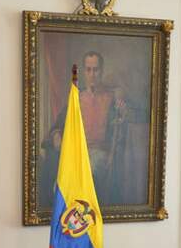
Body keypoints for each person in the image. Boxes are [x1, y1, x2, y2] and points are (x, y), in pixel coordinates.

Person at [39, 51, 146, 209]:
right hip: (78, 152)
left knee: (86, 177)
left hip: (101, 154)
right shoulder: (77, 97)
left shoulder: (113, 96)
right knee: (59, 185)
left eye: (96, 70)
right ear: (84, 71)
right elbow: (59, 124)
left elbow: (141, 114)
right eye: (88, 70)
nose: (92, 74)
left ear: (101, 70)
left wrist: (125, 112)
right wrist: (56, 135)